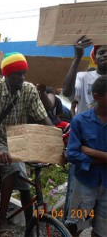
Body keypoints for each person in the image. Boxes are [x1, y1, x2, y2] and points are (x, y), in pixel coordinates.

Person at [0, 52, 53, 236]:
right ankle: (2, 221)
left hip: (18, 140)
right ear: (6, 73)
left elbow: (44, 116)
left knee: (26, 185)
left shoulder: (28, 89)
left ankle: (30, 225)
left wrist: (56, 141)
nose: (22, 77)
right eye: (17, 73)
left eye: (24, 73)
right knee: (12, 168)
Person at [62, 36, 107, 228]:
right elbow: (67, 92)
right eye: (101, 52)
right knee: (77, 205)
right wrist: (77, 58)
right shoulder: (83, 76)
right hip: (82, 144)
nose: (106, 55)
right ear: (95, 56)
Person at [65, 76, 107, 237]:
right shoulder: (80, 121)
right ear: (97, 96)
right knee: (75, 226)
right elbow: (73, 154)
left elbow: (79, 152)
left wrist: (90, 152)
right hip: (85, 184)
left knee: (102, 230)